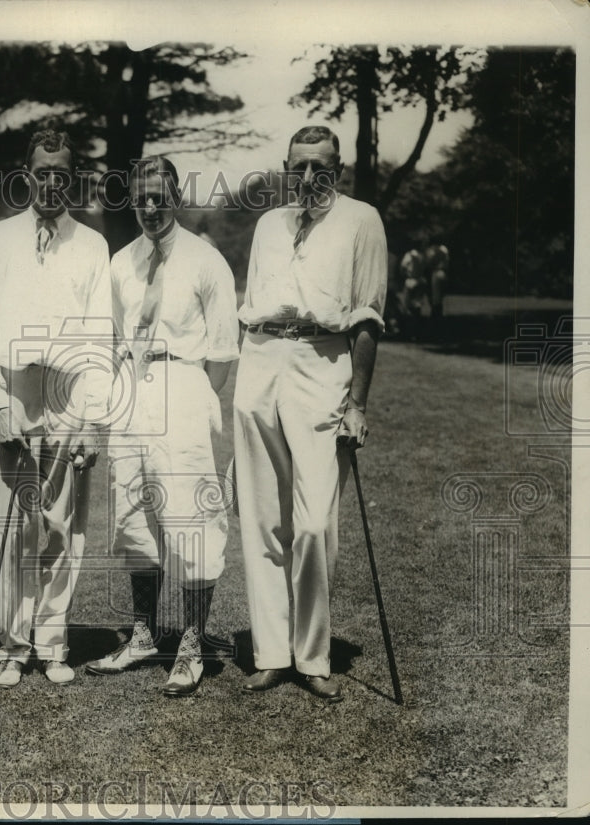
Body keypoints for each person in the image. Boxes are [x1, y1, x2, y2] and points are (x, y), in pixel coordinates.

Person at [233, 125, 387, 702]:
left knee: (315, 522)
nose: (307, 177)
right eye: (297, 166)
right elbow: (252, 302)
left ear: (338, 170)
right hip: (260, 359)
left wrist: (359, 402)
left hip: (323, 363)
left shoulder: (362, 219)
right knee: (263, 517)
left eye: (319, 167)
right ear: (285, 166)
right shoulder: (267, 224)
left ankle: (313, 655)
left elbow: (368, 316)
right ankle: (272, 653)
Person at [84, 157, 239, 697]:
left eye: (159, 197)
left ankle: (192, 644)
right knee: (133, 514)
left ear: (175, 196)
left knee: (190, 517)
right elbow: (109, 339)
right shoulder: (122, 262)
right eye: (141, 198)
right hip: (132, 393)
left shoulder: (205, 260)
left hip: (184, 392)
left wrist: (188, 396)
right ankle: (146, 634)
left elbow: (222, 356)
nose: (150, 208)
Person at [0, 128, 111, 688]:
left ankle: (52, 643)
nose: (51, 182)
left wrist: (92, 418)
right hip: (14, 387)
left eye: (62, 173)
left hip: (69, 390)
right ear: (26, 175)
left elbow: (101, 337)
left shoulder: (93, 244)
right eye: (42, 172)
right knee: (13, 521)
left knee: (60, 523)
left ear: (72, 178)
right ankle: (11, 645)